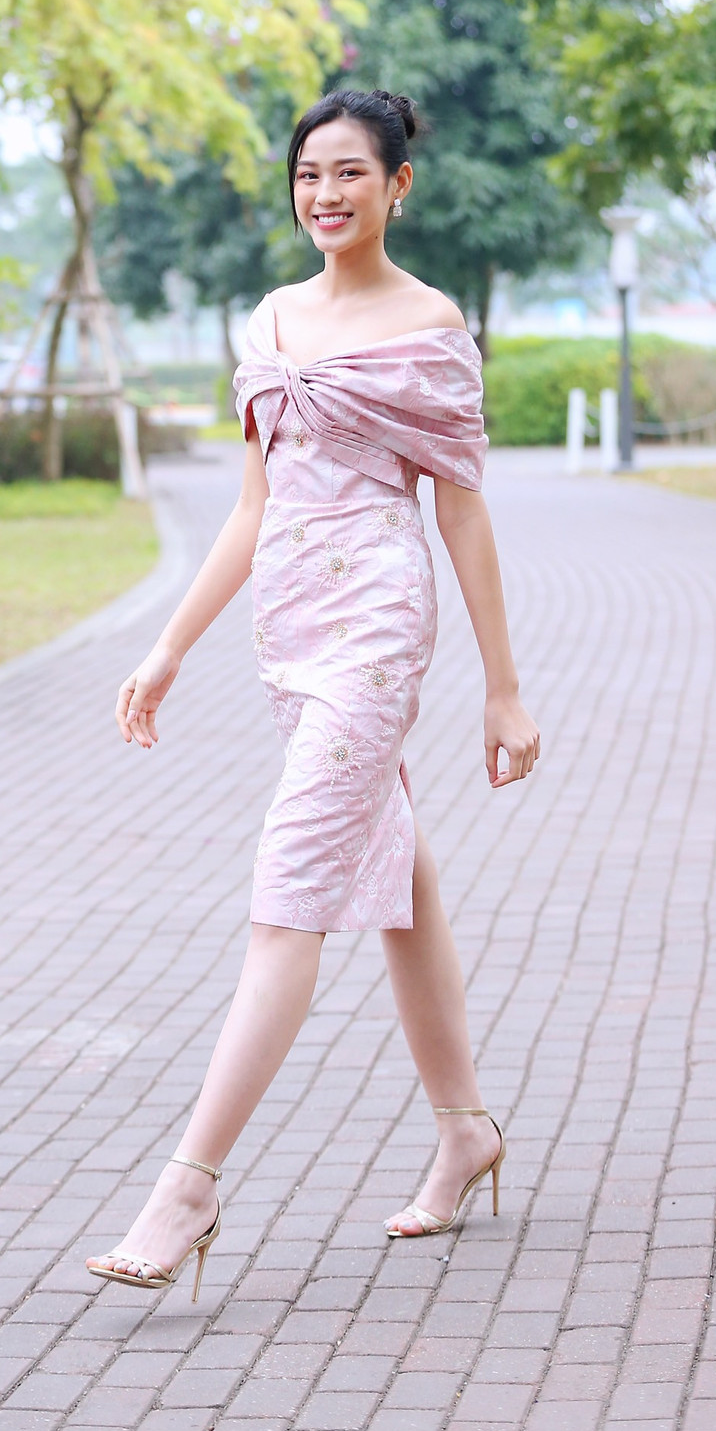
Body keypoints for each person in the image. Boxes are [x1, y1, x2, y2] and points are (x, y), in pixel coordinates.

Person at [87, 88, 540, 1300]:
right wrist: (169, 646)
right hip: (286, 633)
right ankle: (466, 1130)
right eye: (307, 174)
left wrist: (503, 689)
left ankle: (188, 1185)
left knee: (288, 895)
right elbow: (254, 506)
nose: (325, 193)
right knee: (401, 876)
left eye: (349, 172)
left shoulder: (430, 326)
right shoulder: (272, 318)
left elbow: (461, 509)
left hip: (377, 631)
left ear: (398, 185)